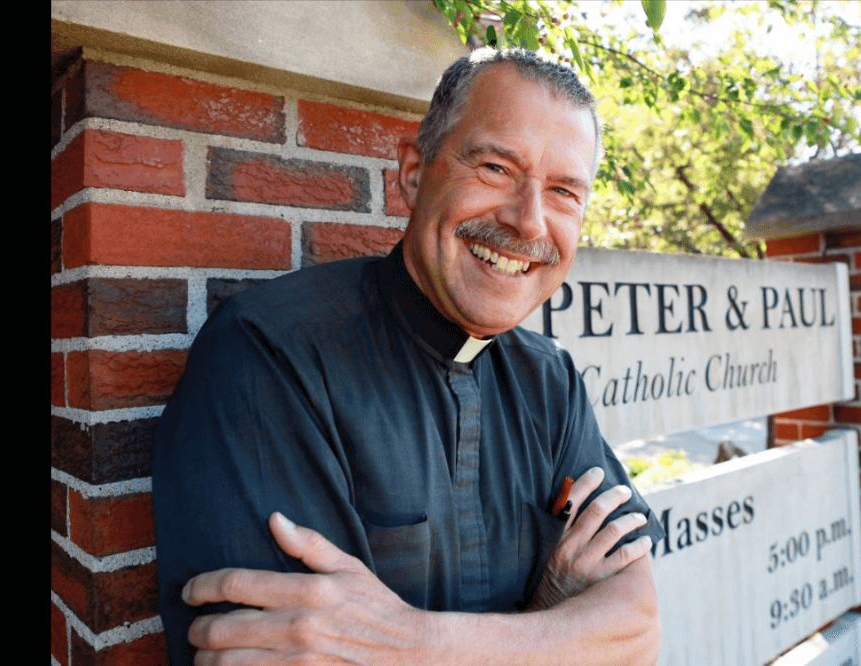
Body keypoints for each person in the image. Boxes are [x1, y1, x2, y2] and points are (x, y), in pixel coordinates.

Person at [153, 47, 664, 665]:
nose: (530, 222)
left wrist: (411, 645)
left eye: (563, 191)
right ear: (415, 173)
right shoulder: (269, 356)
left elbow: (635, 632)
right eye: (496, 168)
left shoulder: (550, 380)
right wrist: (552, 616)